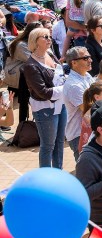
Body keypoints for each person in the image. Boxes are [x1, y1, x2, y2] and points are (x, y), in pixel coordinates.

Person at [21, 26, 67, 168]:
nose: (49, 39)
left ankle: (58, 173)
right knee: (48, 146)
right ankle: (46, 177)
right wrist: (66, 89)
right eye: (45, 37)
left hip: (60, 104)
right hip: (45, 109)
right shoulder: (30, 65)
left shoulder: (50, 54)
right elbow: (43, 92)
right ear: (35, 41)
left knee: (60, 142)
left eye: (49, 36)